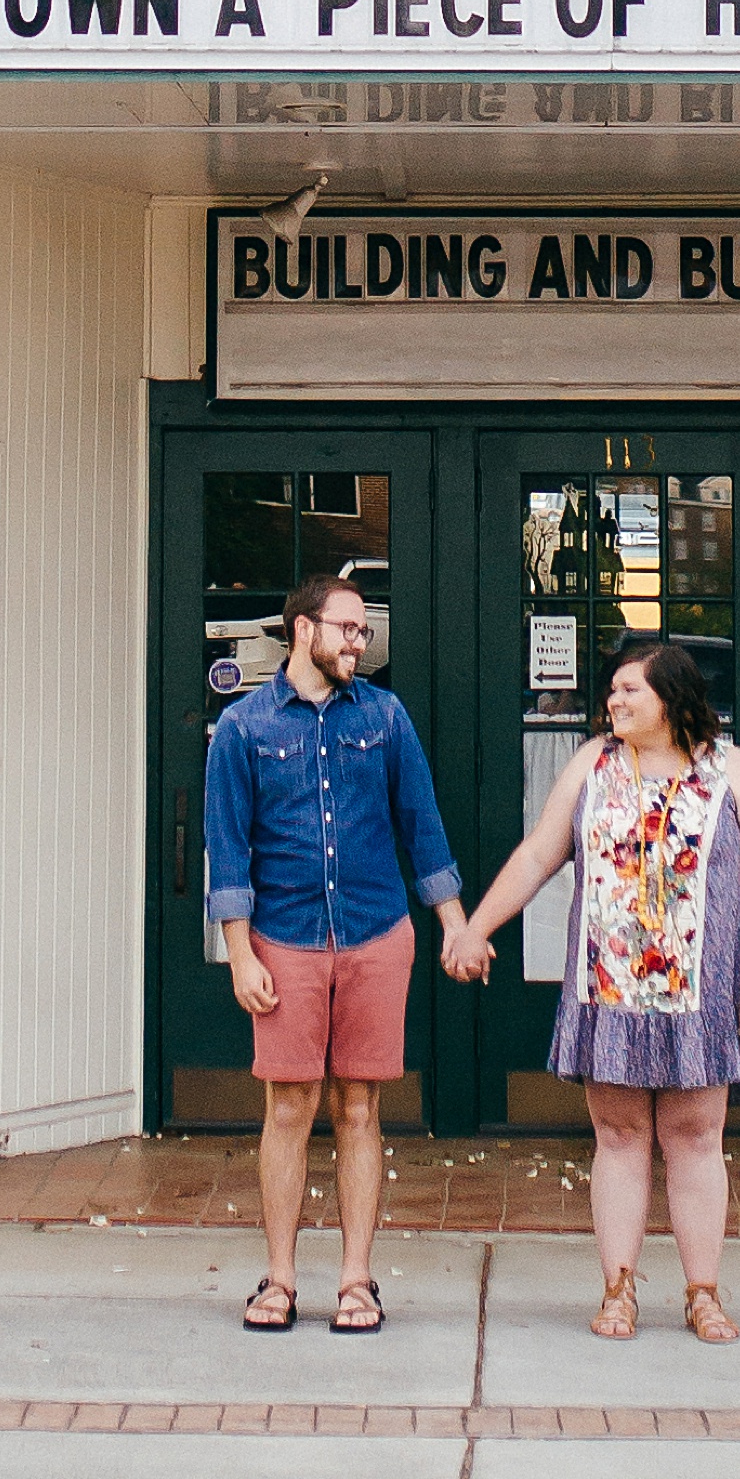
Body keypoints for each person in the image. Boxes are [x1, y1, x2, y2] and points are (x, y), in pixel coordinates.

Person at [456, 632, 740, 1344]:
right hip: (608, 992)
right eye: (610, 689)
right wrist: (475, 928)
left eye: (628, 689)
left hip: (702, 998)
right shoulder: (594, 766)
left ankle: (703, 1293)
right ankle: (617, 1290)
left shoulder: (738, 773)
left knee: (696, 1136)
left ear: (672, 697)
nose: (613, 699)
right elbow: (539, 854)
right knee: (617, 1135)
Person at [202, 564, 478, 1335]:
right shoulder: (245, 728)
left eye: (364, 630)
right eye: (348, 627)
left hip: (375, 934)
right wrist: (240, 953)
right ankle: (280, 1279)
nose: (360, 640)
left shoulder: (385, 719)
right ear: (304, 630)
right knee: (289, 1107)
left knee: (360, 1107)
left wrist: (453, 923)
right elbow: (227, 850)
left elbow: (422, 827)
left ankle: (358, 1280)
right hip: (282, 941)